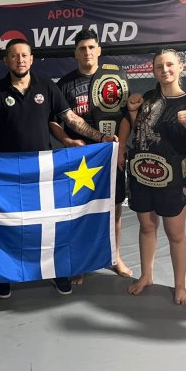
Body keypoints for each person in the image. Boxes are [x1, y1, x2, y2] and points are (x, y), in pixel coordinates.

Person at [0, 38, 118, 309]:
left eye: (24, 55)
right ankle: (2, 276)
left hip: (43, 171)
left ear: (31, 59)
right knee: (7, 225)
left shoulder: (47, 86)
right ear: (6, 60)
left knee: (49, 223)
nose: (20, 60)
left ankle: (56, 271)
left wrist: (101, 137)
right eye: (14, 55)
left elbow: (71, 119)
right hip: (7, 172)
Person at [49, 28, 135, 283]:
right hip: (79, 159)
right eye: (82, 48)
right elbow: (52, 121)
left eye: (91, 47)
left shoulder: (116, 77)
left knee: (114, 209)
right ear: (75, 53)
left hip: (110, 154)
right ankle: (82, 261)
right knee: (79, 211)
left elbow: (126, 117)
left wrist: (121, 148)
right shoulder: (65, 84)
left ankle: (114, 257)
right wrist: (65, 140)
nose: (87, 52)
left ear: (99, 50)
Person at [123, 49, 186, 305]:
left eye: (170, 64)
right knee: (147, 227)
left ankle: (180, 286)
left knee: (175, 233)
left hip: (172, 178)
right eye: (159, 66)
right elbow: (140, 133)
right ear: (154, 71)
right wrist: (133, 112)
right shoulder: (148, 98)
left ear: (180, 67)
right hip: (142, 173)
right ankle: (146, 276)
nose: (165, 70)